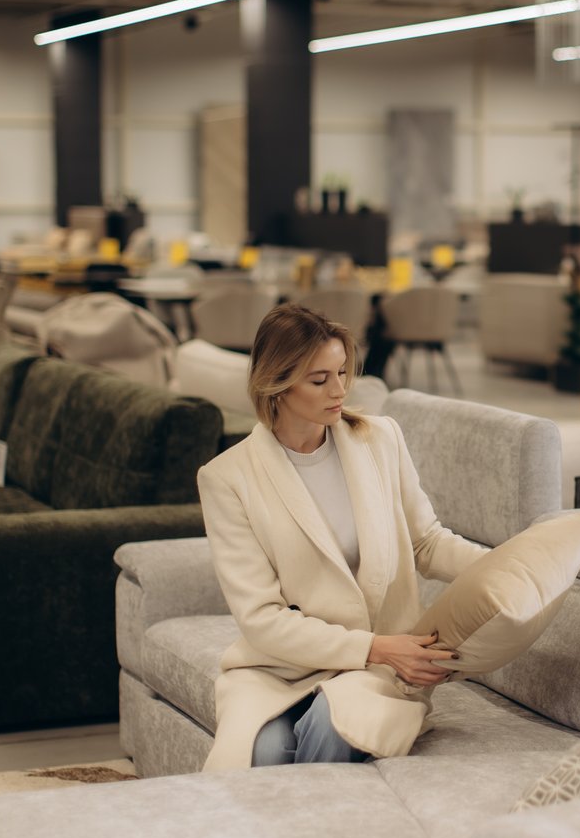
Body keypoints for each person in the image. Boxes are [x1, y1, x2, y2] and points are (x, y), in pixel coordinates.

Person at [196, 303, 487, 771]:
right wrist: (373, 645)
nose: (339, 390)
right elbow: (262, 619)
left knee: (334, 726)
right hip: (283, 664)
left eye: (343, 372)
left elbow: (426, 542)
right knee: (261, 753)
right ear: (276, 383)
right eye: (319, 379)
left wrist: (507, 565)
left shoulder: (381, 439)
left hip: (380, 668)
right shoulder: (227, 478)